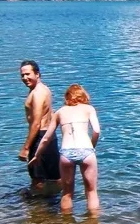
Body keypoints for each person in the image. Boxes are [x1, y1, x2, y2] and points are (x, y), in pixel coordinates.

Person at [31, 84, 101, 212]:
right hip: (86, 151)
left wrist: (37, 155)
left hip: (66, 153)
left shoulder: (59, 112)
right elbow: (96, 131)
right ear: (83, 96)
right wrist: (91, 147)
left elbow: (46, 138)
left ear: (67, 97)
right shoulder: (89, 109)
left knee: (67, 193)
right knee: (91, 191)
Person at [19, 60, 61, 190]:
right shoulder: (45, 89)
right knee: (55, 177)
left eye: (28, 74)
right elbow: (51, 114)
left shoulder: (37, 93)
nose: (25, 78)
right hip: (50, 136)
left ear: (37, 74)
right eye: (22, 75)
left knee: (37, 179)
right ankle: (57, 204)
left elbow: (36, 123)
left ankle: (39, 208)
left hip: (40, 137)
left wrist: (26, 148)